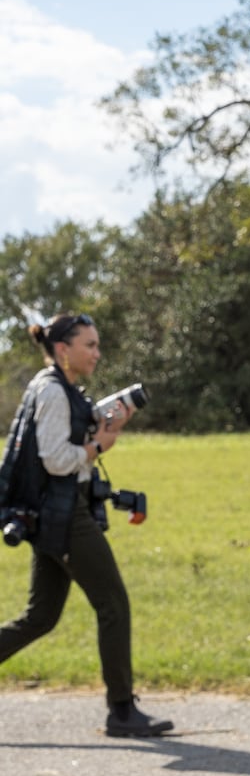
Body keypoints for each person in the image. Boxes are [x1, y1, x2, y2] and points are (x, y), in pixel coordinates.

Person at [0, 312, 173, 738]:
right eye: (89, 345)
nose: (97, 352)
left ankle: (122, 710)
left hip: (51, 513)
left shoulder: (56, 388)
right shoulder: (55, 392)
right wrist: (98, 445)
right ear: (63, 349)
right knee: (113, 604)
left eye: (97, 344)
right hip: (63, 516)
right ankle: (122, 712)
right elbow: (56, 460)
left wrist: (100, 424)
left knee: (40, 617)